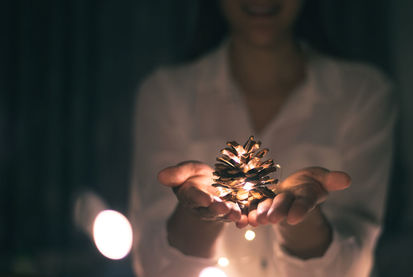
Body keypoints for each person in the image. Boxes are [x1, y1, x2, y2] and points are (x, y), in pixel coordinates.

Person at [129, 0, 396, 276]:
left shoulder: (362, 94)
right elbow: (152, 267)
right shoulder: (166, 95)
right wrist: (199, 214)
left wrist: (302, 222)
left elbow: (353, 266)